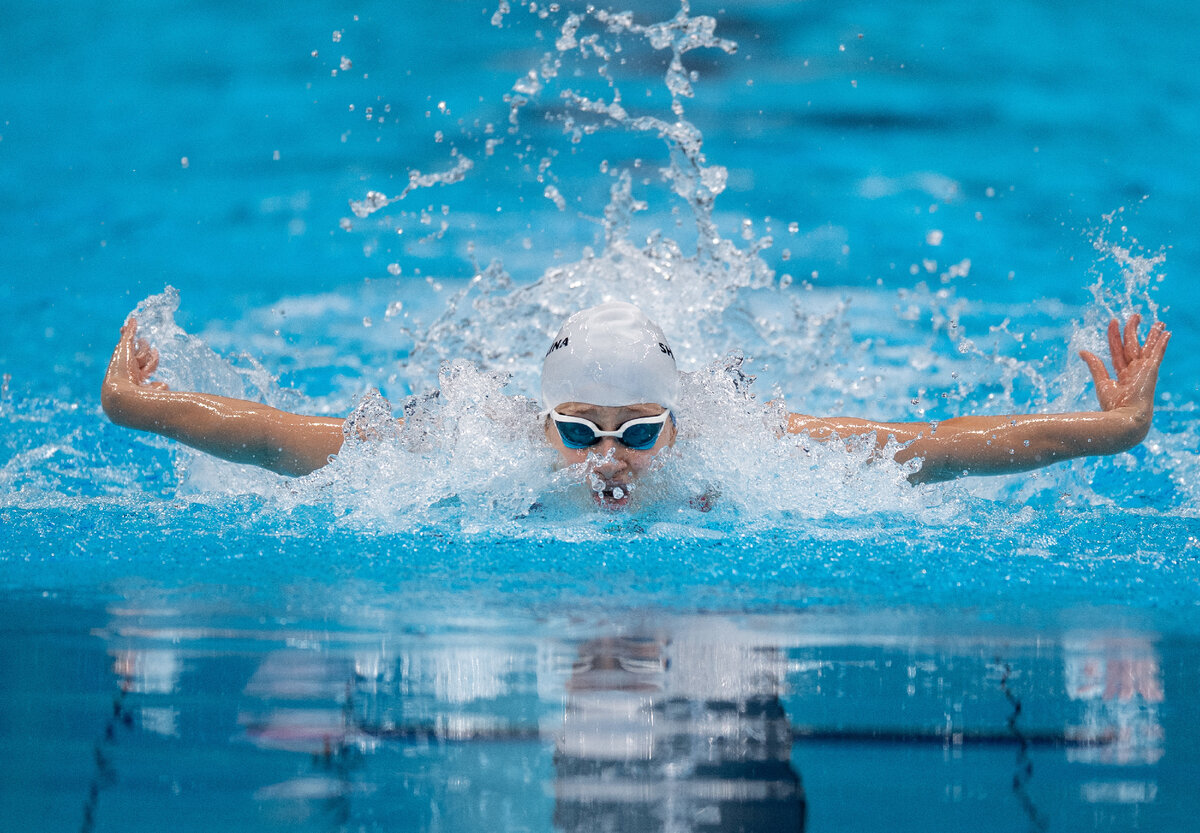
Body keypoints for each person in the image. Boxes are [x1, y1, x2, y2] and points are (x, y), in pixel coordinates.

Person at [101, 301, 1169, 508]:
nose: (606, 458)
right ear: (539, 419)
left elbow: (933, 449)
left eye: (639, 430)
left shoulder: (752, 454)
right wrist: (142, 408)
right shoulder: (466, 446)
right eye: (576, 428)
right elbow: (282, 441)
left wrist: (1109, 433)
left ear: (683, 421)